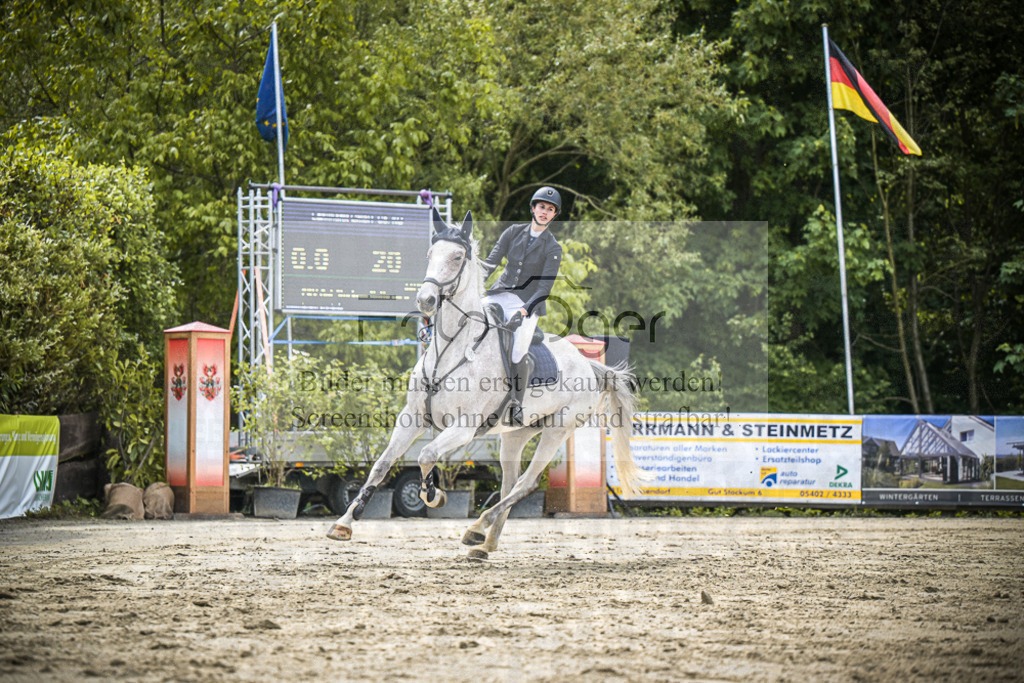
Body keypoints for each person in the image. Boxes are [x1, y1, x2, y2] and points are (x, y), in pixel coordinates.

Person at [483, 186, 563, 425]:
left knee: (518, 351)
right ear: (533, 208)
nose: (545, 212)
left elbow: (544, 288)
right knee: (470, 317)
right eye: (542, 207)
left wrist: (524, 310)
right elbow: (490, 264)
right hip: (499, 294)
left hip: (527, 303)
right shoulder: (513, 232)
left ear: (554, 215)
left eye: (550, 209)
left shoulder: (553, 248)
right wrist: (473, 284)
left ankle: (516, 403)